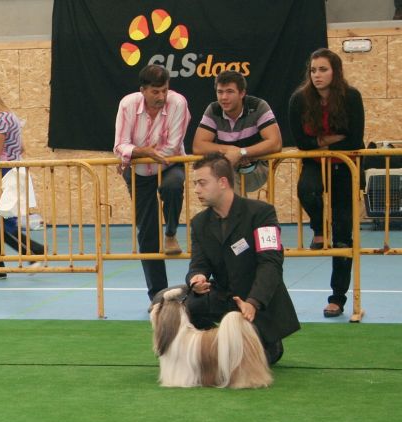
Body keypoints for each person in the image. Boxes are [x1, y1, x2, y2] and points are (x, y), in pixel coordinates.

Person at [185, 153, 300, 365]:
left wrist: (253, 303)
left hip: (258, 305)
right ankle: (207, 348)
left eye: (202, 183)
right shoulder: (199, 223)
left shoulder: (262, 213)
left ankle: (268, 341)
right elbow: (199, 263)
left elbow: (271, 264)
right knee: (188, 303)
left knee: (248, 361)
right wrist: (197, 278)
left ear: (222, 182)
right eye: (195, 184)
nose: (196, 190)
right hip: (225, 298)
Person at [288, 48, 364, 318]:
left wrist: (320, 142)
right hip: (315, 162)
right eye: (313, 70)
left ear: (336, 71)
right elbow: (301, 142)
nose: (317, 75)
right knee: (307, 190)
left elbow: (354, 139)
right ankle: (319, 228)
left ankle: (338, 297)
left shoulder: (351, 96)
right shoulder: (299, 100)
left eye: (323, 69)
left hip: (345, 166)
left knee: (344, 233)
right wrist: (329, 140)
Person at [113, 64, 191, 300]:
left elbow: (173, 145)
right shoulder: (127, 104)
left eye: (164, 91)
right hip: (137, 171)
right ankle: (158, 296)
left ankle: (171, 231)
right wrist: (145, 151)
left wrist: (136, 152)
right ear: (143, 90)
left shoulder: (178, 103)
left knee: (173, 185)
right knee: (147, 233)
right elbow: (119, 145)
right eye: (155, 92)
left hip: (169, 164)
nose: (161, 97)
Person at [0, 82, 45, 279]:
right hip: (12, 170)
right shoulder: (11, 117)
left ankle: (32, 251)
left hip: (3, 173)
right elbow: (21, 147)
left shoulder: (0, 121)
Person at [192, 70, 282, 193]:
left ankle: (234, 211)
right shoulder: (213, 109)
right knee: (220, 176)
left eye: (229, 92)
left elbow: (275, 143)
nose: (224, 97)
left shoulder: (258, 106)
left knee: (224, 177)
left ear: (242, 93)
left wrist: (242, 152)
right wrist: (229, 150)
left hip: (257, 167)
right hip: (227, 166)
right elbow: (198, 146)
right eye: (220, 92)